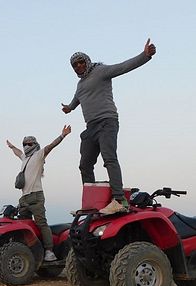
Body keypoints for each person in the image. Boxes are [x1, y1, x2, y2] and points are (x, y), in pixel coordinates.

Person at [61, 39, 157, 215]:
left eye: (81, 62)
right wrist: (68, 107)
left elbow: (123, 67)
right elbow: (75, 101)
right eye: (74, 65)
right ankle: (90, 202)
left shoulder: (100, 71)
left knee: (109, 158)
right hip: (90, 127)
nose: (78, 66)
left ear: (87, 61)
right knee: (85, 164)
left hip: (107, 122)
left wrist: (145, 56)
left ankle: (119, 200)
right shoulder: (80, 85)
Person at [6, 125, 72, 262]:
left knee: (41, 223)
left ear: (35, 144)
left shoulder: (39, 155)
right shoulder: (25, 158)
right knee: (24, 224)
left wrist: (62, 135)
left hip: (36, 196)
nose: (26, 146)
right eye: (24, 144)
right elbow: (18, 152)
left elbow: (50, 146)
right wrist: (12, 147)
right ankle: (29, 250)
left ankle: (49, 251)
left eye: (29, 143)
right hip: (24, 198)